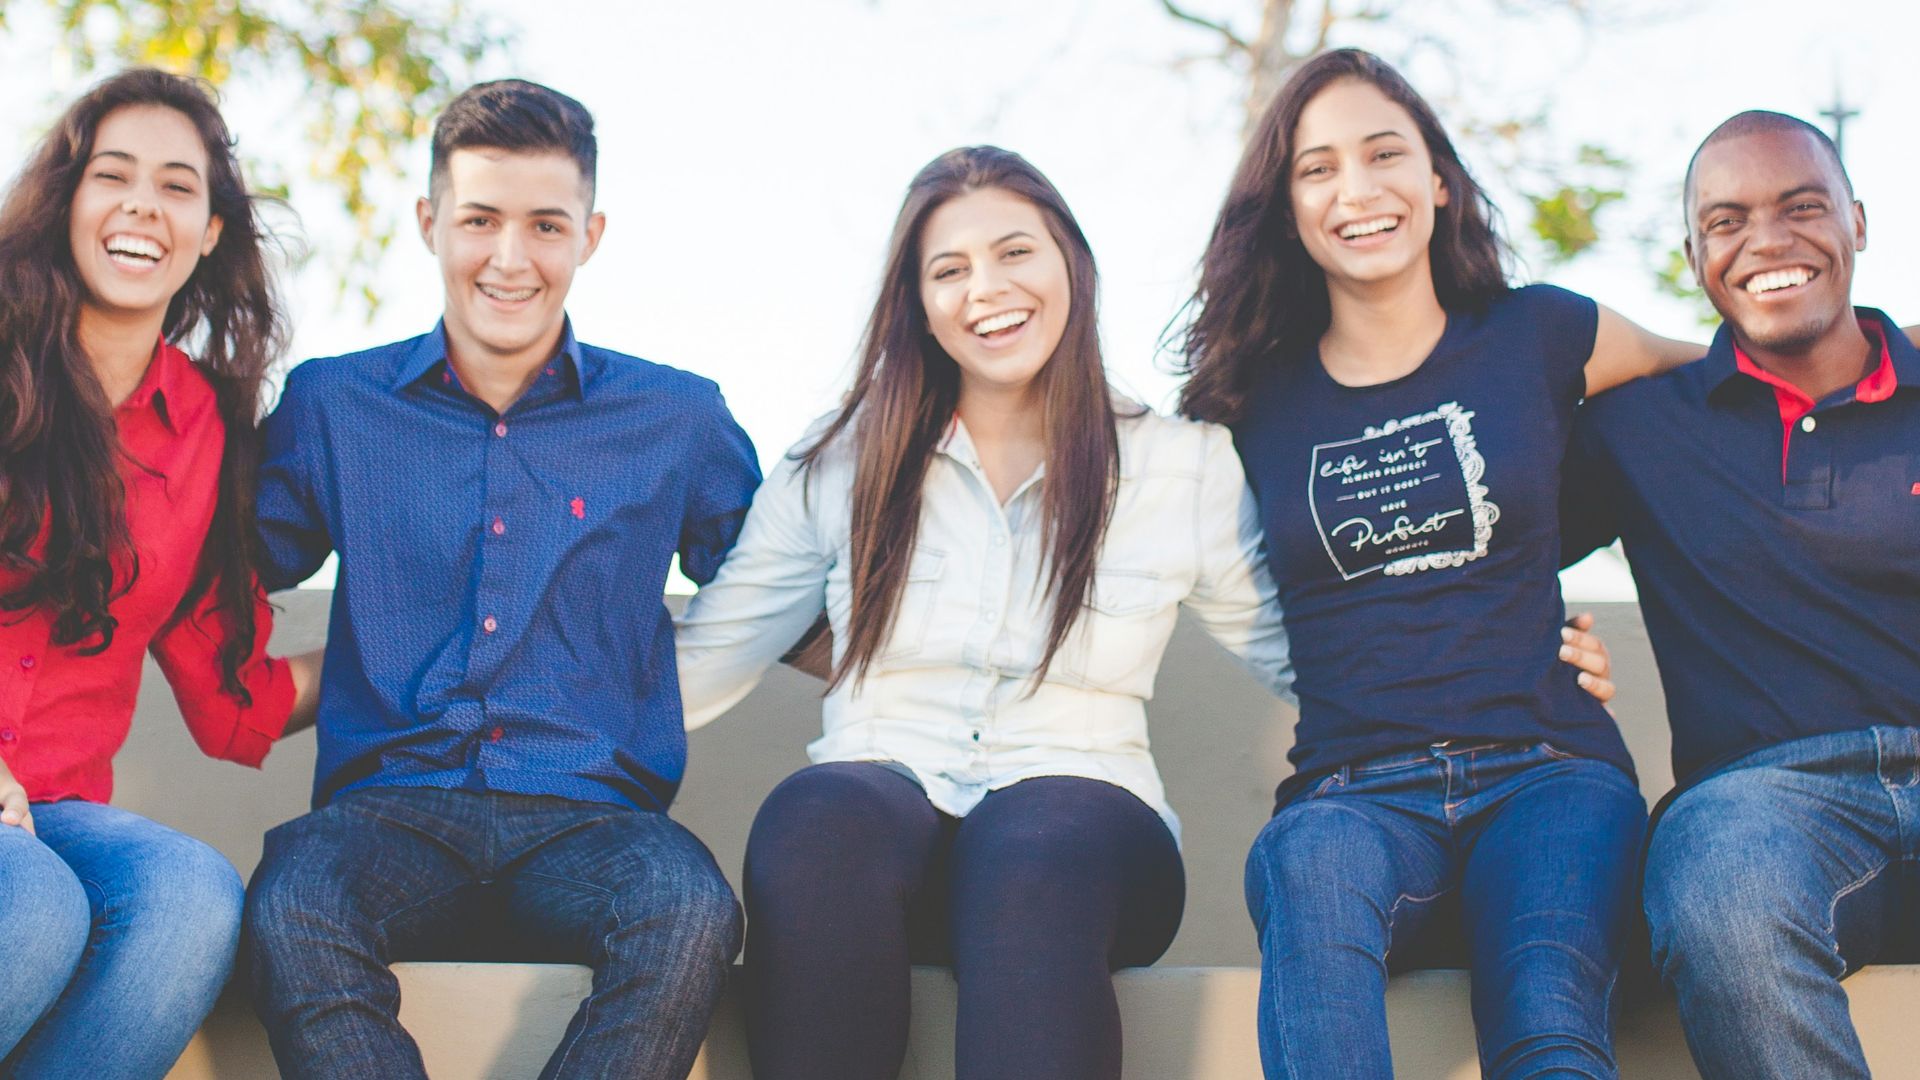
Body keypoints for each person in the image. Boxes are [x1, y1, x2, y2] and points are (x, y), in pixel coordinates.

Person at [673, 145, 1619, 1080]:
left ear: (1071, 267)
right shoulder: (839, 461)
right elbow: (708, 656)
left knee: (1030, 846)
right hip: (883, 814)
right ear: (917, 303)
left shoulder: (1179, 466)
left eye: (1015, 252)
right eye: (948, 270)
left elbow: (1323, 653)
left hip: (1088, 821)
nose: (985, 288)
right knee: (815, 818)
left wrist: (1515, 656)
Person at [1175, 48, 1694, 1079]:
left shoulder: (1543, 331)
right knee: (1305, 873)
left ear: (1438, 180)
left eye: (1384, 154)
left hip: (1549, 772)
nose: (1357, 189)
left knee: (1547, 1012)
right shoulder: (1249, 399)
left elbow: (1737, 378)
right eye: (1317, 169)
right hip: (1350, 794)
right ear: (1285, 208)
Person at [243, 79, 761, 1080]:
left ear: (591, 234)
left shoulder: (678, 418)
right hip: (387, 809)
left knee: (692, 911)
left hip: (595, 817)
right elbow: (210, 571)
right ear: (431, 221)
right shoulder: (332, 404)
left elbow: (784, 592)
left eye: (546, 224)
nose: (510, 257)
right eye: (480, 219)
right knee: (289, 903)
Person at [1561, 111, 1920, 1080]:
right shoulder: (1638, 425)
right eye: (1728, 221)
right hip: (1764, 803)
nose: (1766, 240)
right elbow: (1482, 544)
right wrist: (1544, 647)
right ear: (1694, 256)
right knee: (1720, 884)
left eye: (1802, 208)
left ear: (1857, 221)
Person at [0, 69, 320, 1078]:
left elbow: (237, 697)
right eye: (115, 175)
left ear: (212, 229)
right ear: (70, 202)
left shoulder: (208, 434)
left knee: (191, 894)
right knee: (39, 905)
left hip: (50, 812)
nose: (144, 204)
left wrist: (416, 643)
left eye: (178, 186)